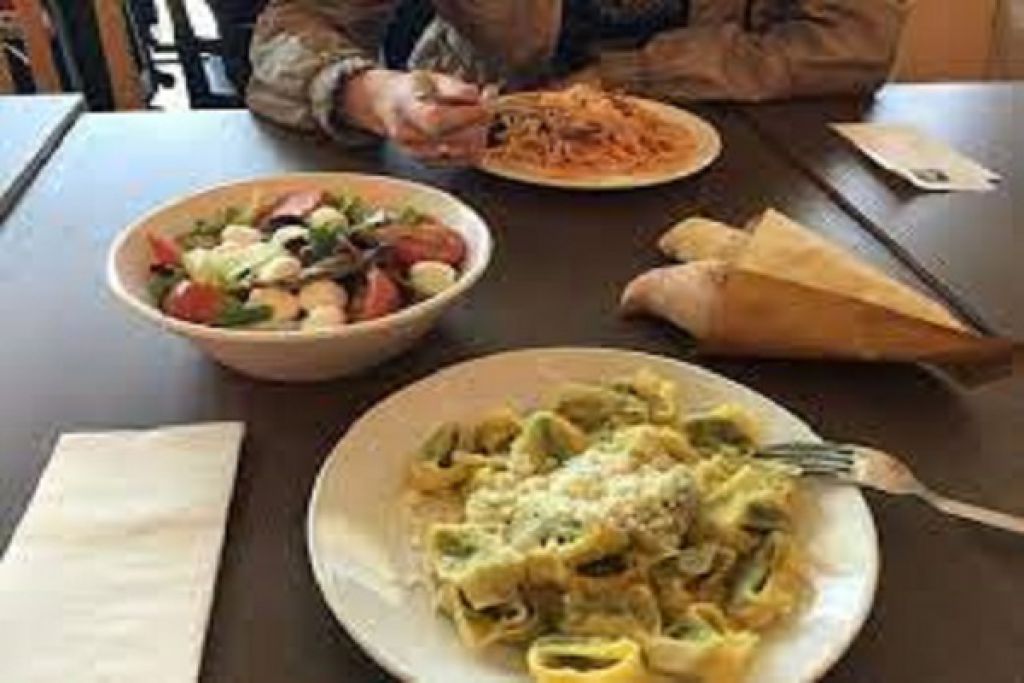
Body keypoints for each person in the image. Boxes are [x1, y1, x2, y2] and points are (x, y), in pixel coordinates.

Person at [246, 0, 907, 163]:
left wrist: (627, 76)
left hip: (739, 161)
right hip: (476, 153)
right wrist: (376, 94)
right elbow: (294, 24)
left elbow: (854, 41)